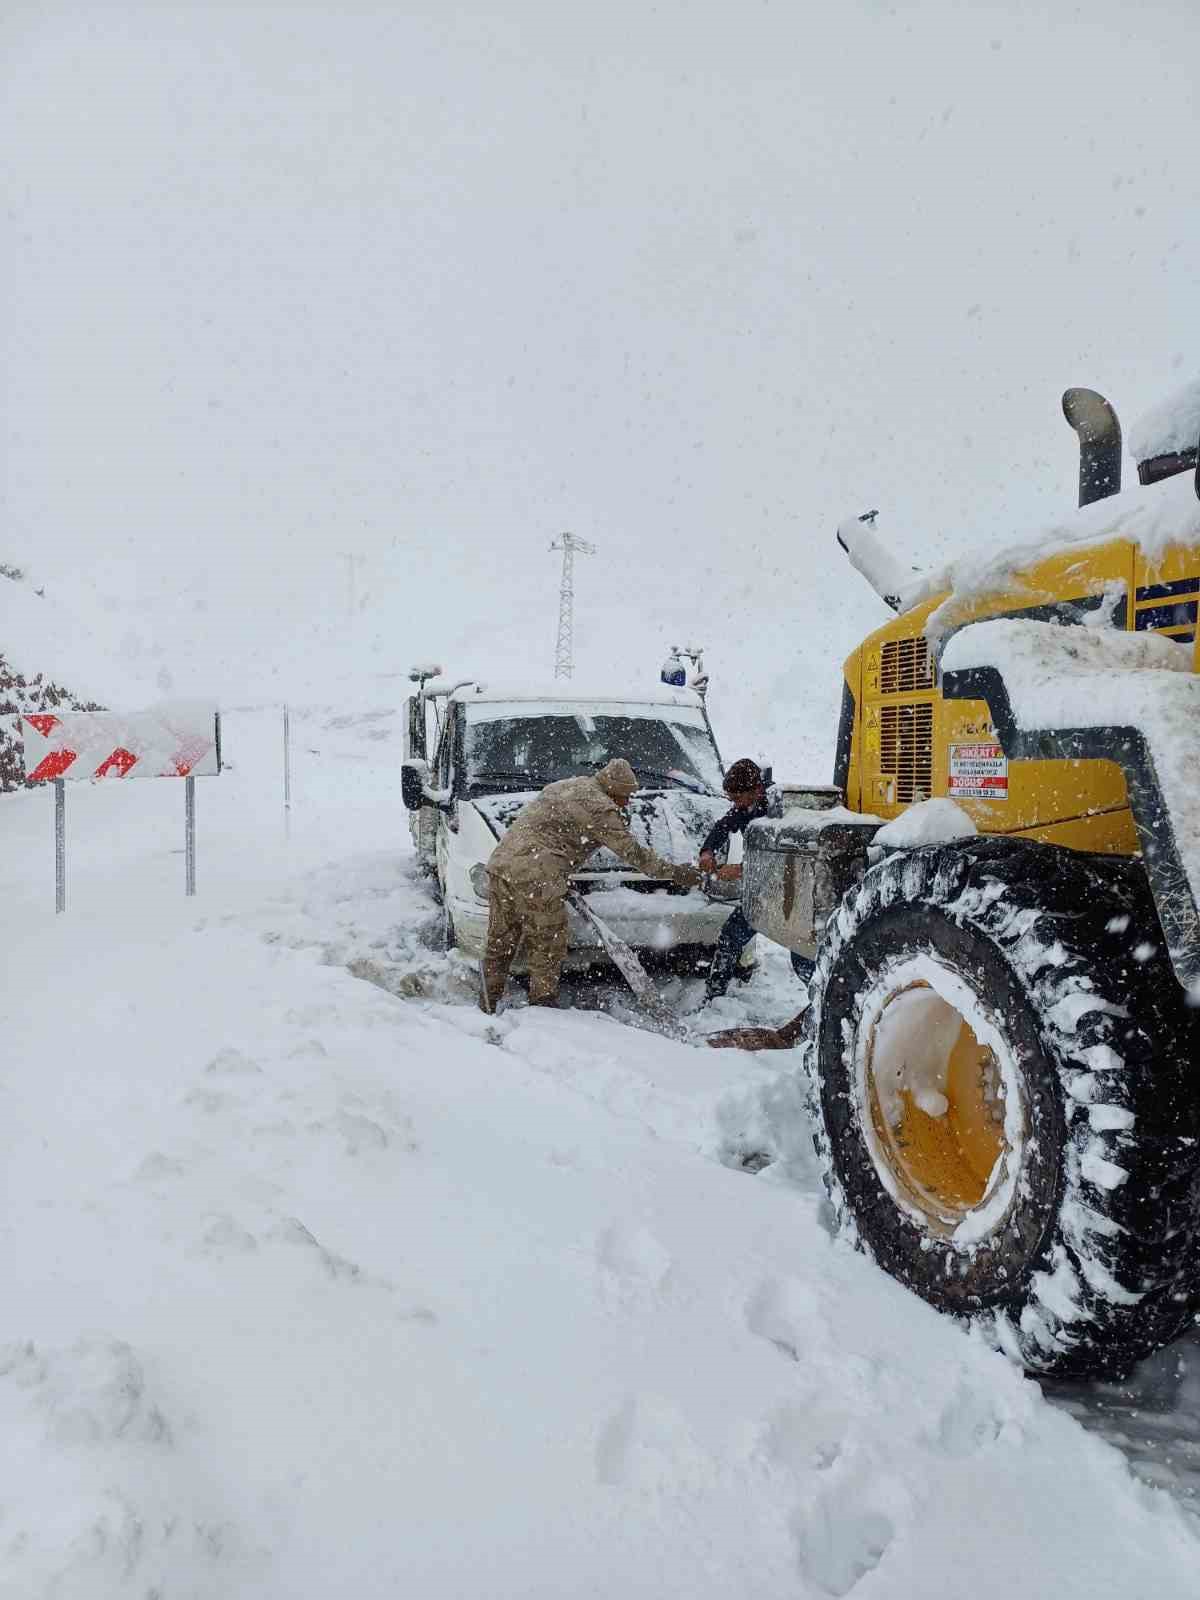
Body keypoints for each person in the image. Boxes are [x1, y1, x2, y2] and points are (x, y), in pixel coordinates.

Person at [480, 758, 703, 1014]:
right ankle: (542, 1012)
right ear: (613, 790)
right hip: (538, 877)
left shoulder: (566, 785)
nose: (627, 802)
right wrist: (678, 873)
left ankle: (486, 1004)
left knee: (500, 945)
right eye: (625, 796)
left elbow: (546, 829)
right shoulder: (601, 809)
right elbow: (633, 854)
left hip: (501, 866)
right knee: (547, 948)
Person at [698, 757, 778, 1002]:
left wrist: (742, 869)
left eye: (737, 798)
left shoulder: (779, 811)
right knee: (730, 936)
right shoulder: (746, 807)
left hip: (786, 895)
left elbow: (780, 860)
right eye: (730, 799)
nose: (734, 804)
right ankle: (715, 998)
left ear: (756, 789)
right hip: (760, 891)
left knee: (802, 957)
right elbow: (724, 826)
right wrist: (707, 850)